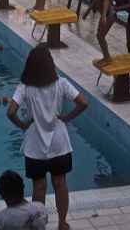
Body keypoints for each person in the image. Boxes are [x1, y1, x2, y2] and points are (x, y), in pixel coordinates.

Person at [6, 44, 88, 230]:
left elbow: (10, 112)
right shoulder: (62, 84)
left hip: (35, 144)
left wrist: (23, 125)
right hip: (59, 142)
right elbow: (83, 103)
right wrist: (66, 118)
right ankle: (62, 222)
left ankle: (38, 225)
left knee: (39, 187)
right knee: (60, 183)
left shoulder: (25, 88)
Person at [82, 0, 113, 65]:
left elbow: (106, 1)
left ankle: (107, 58)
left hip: (109, 15)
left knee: (100, 36)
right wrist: (87, 12)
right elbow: (95, 0)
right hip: (105, 15)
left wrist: (103, 15)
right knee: (100, 36)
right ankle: (106, 57)